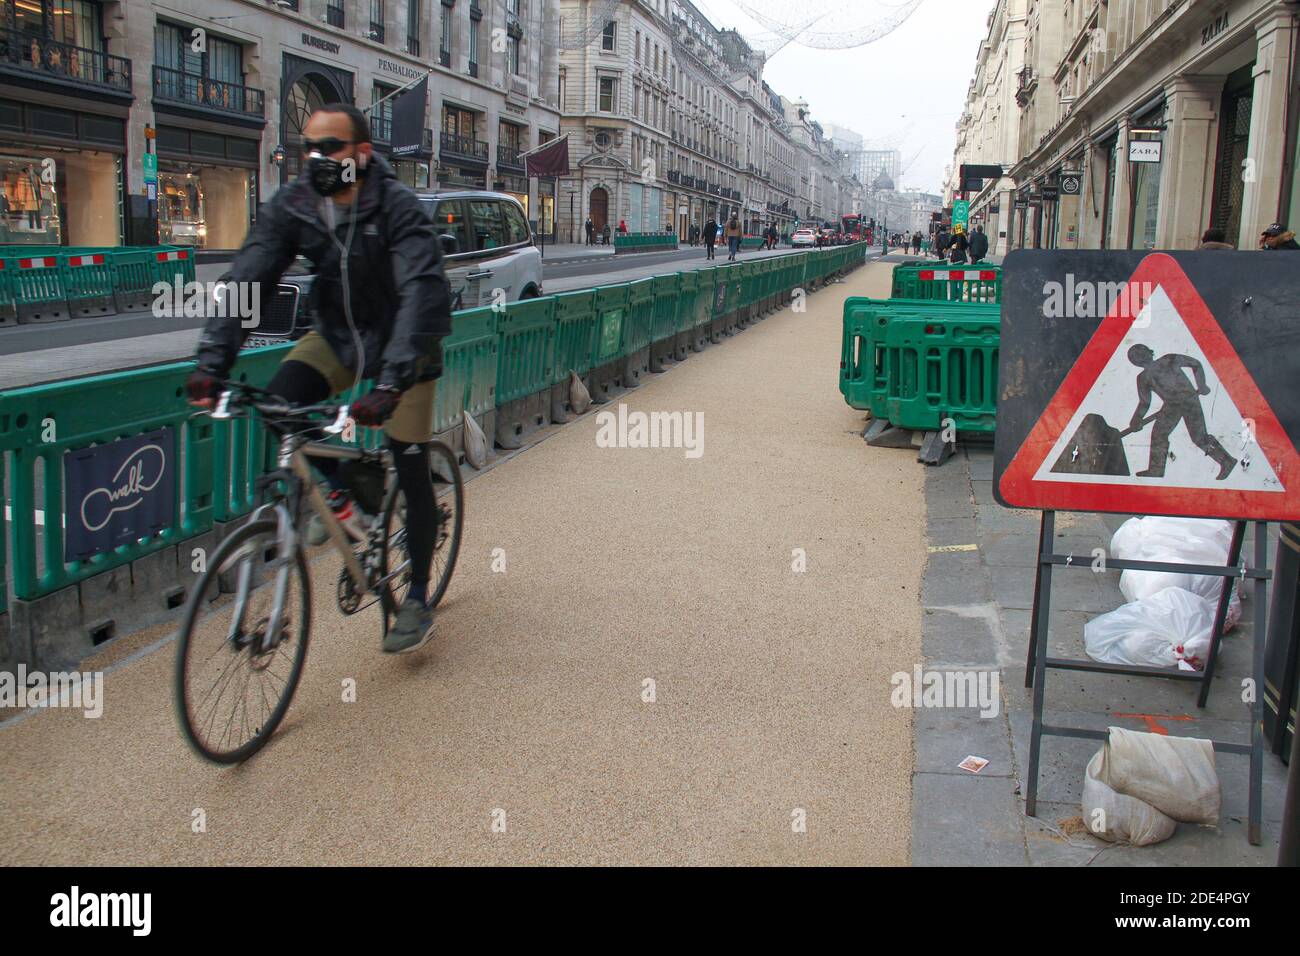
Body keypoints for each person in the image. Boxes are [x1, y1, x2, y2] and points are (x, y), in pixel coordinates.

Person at [186, 103, 451, 654]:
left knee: (409, 459)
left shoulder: (397, 207)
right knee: (279, 403)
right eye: (308, 146)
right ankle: (344, 497)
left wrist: (393, 383)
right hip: (337, 336)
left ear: (362, 153)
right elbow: (248, 276)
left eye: (330, 147)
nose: (317, 158)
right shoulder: (297, 204)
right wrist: (213, 359)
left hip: (404, 349)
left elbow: (422, 293)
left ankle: (420, 595)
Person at [1126, 344, 1237, 480]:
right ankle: (1156, 470)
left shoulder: (1168, 359)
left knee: (1199, 437)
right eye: (1135, 356)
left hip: (1188, 399)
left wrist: (1201, 385)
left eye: (1139, 354)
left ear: (1149, 353)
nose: (1139, 357)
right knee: (1158, 435)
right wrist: (1136, 420)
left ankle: (1227, 461)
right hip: (1171, 406)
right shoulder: (1143, 377)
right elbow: (1144, 402)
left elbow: (1195, 364)